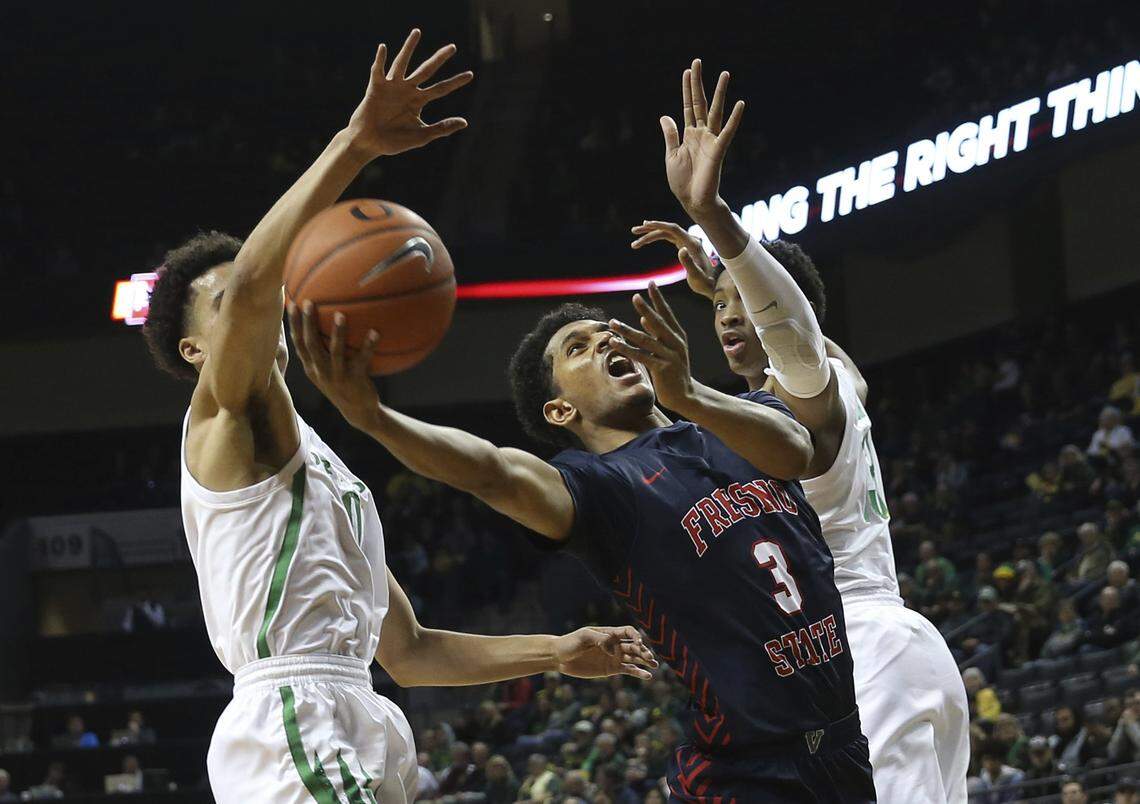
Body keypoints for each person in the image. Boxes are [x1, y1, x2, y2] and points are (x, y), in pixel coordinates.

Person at [292, 64, 874, 803]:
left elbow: (815, 385)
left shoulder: (738, 421)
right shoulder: (597, 490)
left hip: (844, 746)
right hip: (743, 773)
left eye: (607, 331)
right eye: (578, 348)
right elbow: (489, 470)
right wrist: (373, 417)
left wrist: (721, 271)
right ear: (560, 412)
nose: (606, 340)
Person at [143, 30, 652, 804]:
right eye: (233, 300)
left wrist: (558, 649)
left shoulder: (324, 469)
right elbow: (250, 284)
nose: (266, 297)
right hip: (291, 717)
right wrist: (355, 144)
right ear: (193, 350)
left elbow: (410, 652)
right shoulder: (221, 420)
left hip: (362, 711)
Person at [629, 83, 968, 804]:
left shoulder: (803, 392)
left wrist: (716, 220)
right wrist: (724, 285)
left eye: (742, 306)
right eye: (718, 307)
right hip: (898, 651)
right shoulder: (841, 384)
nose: (727, 318)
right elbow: (803, 332)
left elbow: (794, 333)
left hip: (861, 649)